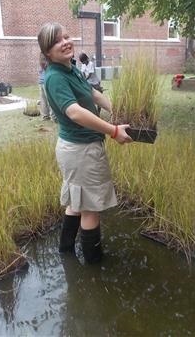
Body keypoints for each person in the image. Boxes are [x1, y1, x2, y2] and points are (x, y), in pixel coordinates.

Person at [37, 22, 133, 264]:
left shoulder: (71, 69)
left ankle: (66, 252)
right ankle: (94, 266)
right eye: (57, 41)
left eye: (66, 36)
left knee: (76, 202)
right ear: (47, 52)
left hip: (76, 150)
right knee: (90, 209)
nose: (65, 42)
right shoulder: (55, 77)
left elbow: (92, 94)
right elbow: (75, 113)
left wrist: (118, 109)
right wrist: (113, 131)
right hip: (81, 151)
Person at [38, 53, 55, 121]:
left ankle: (45, 116)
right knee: (50, 100)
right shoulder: (48, 63)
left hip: (41, 82)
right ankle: (54, 117)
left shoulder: (41, 62)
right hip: (46, 82)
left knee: (43, 101)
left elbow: (39, 72)